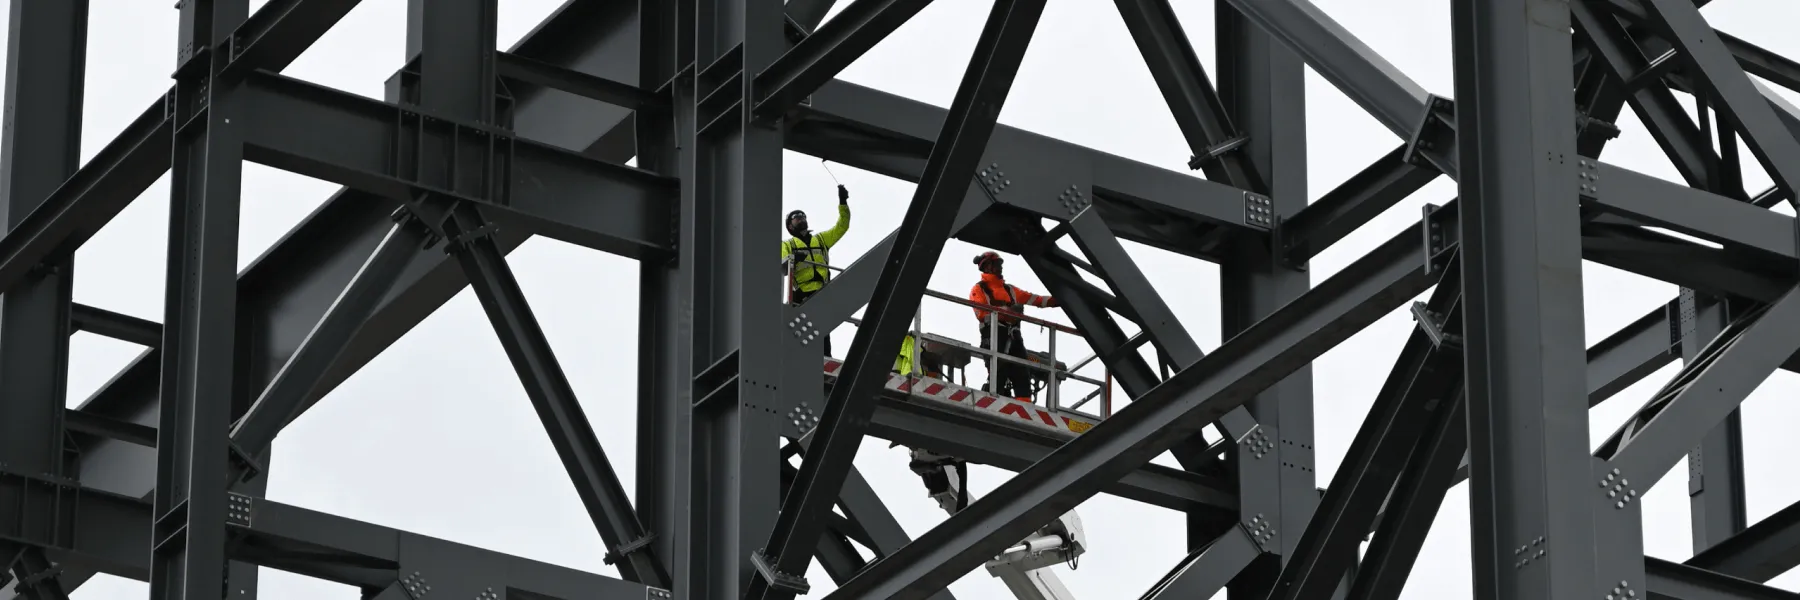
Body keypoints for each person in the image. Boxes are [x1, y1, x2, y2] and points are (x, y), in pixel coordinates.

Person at [968, 251, 1058, 402]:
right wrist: (1008, 311)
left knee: (1022, 374)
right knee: (998, 373)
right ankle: (993, 403)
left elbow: (1036, 300)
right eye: (997, 264)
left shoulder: (1010, 290)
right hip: (993, 336)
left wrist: (1057, 300)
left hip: (1014, 336)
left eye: (1000, 264)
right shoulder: (979, 290)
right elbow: (982, 314)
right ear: (987, 267)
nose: (1000, 268)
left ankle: (1026, 408)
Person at [781, 184, 852, 354]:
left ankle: (825, 359)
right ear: (790, 226)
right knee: (803, 331)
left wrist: (843, 202)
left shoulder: (820, 240)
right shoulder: (787, 245)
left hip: (822, 292)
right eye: (796, 218)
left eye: (802, 217)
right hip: (802, 294)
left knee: (823, 331)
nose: (801, 219)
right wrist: (792, 259)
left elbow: (842, 226)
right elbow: (781, 264)